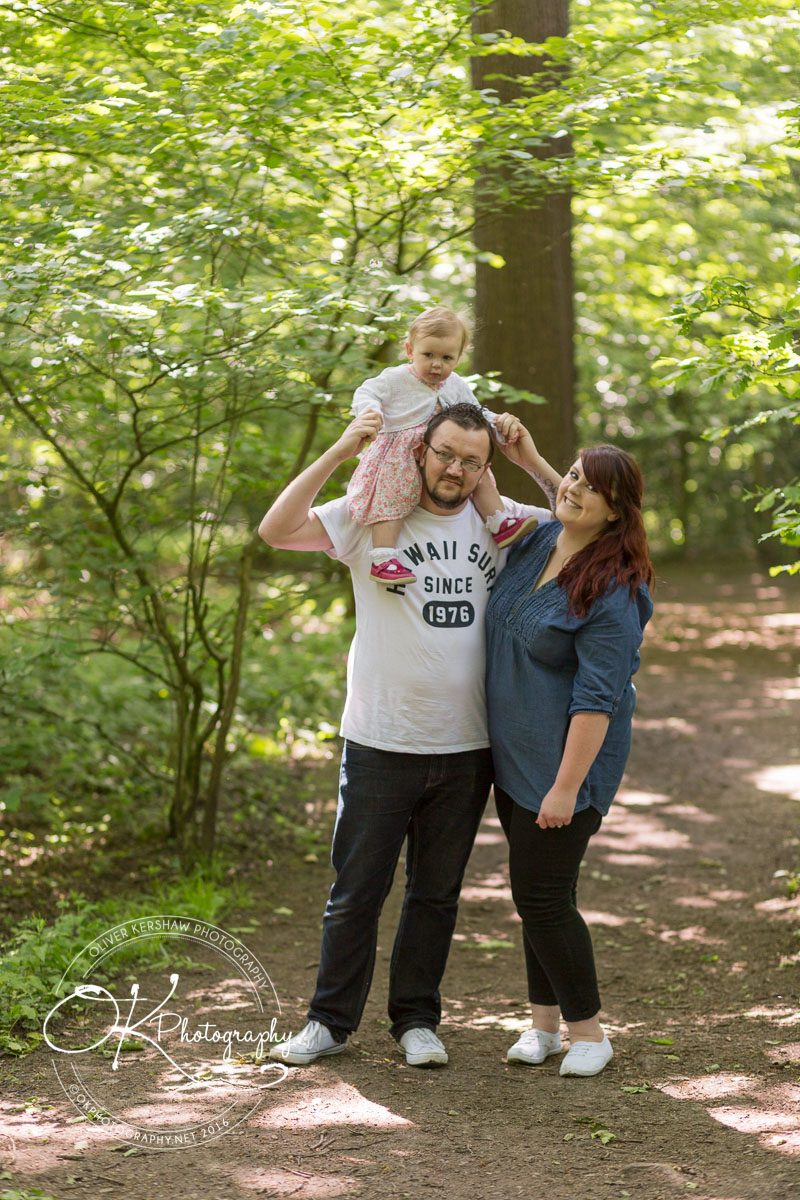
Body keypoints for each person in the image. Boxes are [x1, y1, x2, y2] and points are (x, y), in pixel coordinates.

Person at [258, 403, 560, 1067]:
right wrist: (341, 450)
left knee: (435, 894)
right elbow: (276, 530)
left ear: (485, 467)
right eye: (446, 453)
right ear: (421, 449)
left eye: (471, 461)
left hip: (468, 747)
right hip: (379, 742)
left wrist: (530, 462)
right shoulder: (372, 512)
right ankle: (327, 1023)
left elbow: (586, 523)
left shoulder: (499, 521)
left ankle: (416, 1021)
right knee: (355, 893)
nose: (456, 469)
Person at [485, 439, 654, 1078]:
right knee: (540, 895)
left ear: (616, 513)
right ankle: (543, 1026)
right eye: (573, 476)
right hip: (514, 751)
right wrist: (532, 459)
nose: (573, 488)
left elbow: (597, 700)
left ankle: (590, 1032)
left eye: (592, 488)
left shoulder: (613, 588)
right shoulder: (538, 540)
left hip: (566, 764)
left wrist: (565, 788)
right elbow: (568, 502)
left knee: (543, 896)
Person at [347, 306, 537, 586]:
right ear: (410, 350)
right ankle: (384, 558)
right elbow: (367, 392)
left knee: (479, 474)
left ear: (459, 357)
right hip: (399, 453)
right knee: (392, 496)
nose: (437, 365)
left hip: (443, 454)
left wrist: (496, 422)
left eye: (447, 357)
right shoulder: (395, 378)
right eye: (428, 355)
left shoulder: (455, 384)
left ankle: (499, 522)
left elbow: (476, 411)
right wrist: (370, 411)